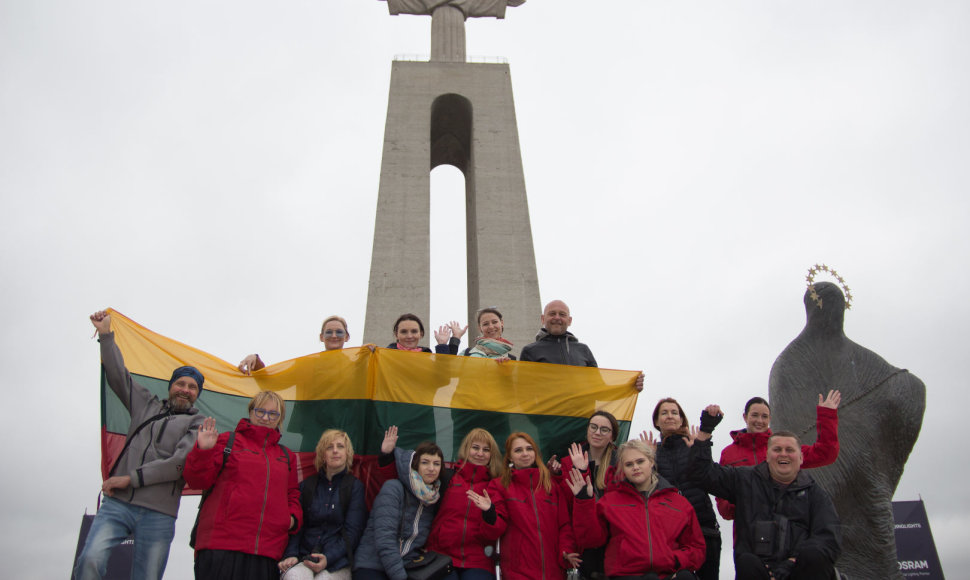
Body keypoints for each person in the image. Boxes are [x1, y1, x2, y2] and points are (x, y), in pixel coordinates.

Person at [75, 310, 206, 580]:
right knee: (89, 561)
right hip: (117, 506)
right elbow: (117, 375)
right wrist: (106, 335)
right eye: (180, 383)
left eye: (192, 387)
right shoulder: (145, 405)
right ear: (170, 386)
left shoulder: (198, 425)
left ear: (197, 395)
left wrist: (129, 479)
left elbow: (179, 464)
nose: (185, 389)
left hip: (159, 513)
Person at [687, 408, 842, 580]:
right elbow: (702, 474)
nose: (783, 454)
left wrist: (792, 563)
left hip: (802, 571)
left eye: (789, 450)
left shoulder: (816, 495)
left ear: (801, 458)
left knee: (816, 555)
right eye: (777, 449)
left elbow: (829, 538)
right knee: (747, 562)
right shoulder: (744, 480)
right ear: (767, 456)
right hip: (759, 572)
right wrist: (705, 431)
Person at [183, 391, 302, 580]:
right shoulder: (227, 441)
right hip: (221, 546)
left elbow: (293, 493)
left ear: (280, 419)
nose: (265, 418)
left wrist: (292, 519)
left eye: (273, 414)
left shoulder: (286, 455)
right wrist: (203, 451)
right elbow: (197, 481)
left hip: (266, 551)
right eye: (260, 411)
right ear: (251, 411)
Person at [567, 440, 705, 580]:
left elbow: (696, 547)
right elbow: (590, 540)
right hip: (626, 575)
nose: (635, 467)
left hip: (667, 573)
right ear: (622, 468)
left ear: (651, 462)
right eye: (629, 464)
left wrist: (675, 559)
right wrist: (583, 500)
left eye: (640, 461)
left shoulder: (678, 503)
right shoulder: (611, 501)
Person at [381, 426, 504, 580]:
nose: (480, 453)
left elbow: (496, 529)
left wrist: (489, 512)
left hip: (478, 560)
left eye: (486, 450)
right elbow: (410, 483)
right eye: (475, 448)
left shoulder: (495, 485)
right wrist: (387, 456)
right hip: (440, 554)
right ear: (466, 449)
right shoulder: (448, 477)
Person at [716, 392, 841, 528]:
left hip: (787, 531)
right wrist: (747, 503)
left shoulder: (782, 448)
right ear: (745, 417)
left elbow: (826, 453)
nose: (760, 421)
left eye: (765, 416)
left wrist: (827, 415)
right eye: (755, 415)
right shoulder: (728, 453)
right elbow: (724, 504)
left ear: (770, 419)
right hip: (748, 536)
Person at [467, 432, 579, 580]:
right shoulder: (500, 485)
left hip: (554, 572)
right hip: (518, 571)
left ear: (535, 453)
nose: (525, 453)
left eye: (529, 449)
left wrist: (566, 550)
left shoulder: (550, 485)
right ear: (510, 457)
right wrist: (489, 512)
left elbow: (564, 525)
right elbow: (493, 532)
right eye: (518, 450)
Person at [643, 398, 720, 580]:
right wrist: (649, 460)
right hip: (670, 534)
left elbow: (710, 477)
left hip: (704, 528)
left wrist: (699, 449)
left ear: (681, 419)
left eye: (674, 412)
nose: (670, 416)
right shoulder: (652, 453)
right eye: (664, 413)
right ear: (656, 421)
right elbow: (648, 491)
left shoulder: (693, 445)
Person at [279, 429, 367, 580]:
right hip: (304, 556)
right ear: (322, 454)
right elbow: (297, 526)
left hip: (338, 562)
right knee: (294, 577)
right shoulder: (307, 485)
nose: (335, 451)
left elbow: (353, 533)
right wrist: (291, 554)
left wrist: (328, 557)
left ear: (347, 453)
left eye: (340, 446)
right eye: (329, 447)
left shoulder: (354, 487)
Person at [353, 441, 445, 580]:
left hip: (406, 565)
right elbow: (385, 540)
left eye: (436, 464)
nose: (431, 468)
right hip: (372, 564)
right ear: (416, 465)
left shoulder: (432, 499)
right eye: (425, 462)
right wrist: (401, 577)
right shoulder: (394, 488)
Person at [519, 300, 644, 390]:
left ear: (569, 320)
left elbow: (598, 387)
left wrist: (630, 386)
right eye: (552, 314)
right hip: (546, 421)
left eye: (562, 314)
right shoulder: (530, 351)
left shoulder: (583, 350)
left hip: (581, 420)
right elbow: (523, 389)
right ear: (542, 319)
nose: (557, 318)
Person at [238, 315, 352, 375]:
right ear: (321, 337)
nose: (333, 335)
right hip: (310, 419)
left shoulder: (356, 367)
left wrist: (370, 356)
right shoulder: (307, 365)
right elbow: (273, 380)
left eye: (339, 332)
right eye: (328, 332)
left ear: (347, 337)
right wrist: (255, 360)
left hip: (346, 419)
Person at [387, 313, 462, 354]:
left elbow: (444, 376)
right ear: (396, 335)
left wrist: (442, 344)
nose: (409, 336)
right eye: (404, 332)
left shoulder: (426, 356)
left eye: (414, 331)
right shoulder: (385, 355)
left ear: (421, 334)